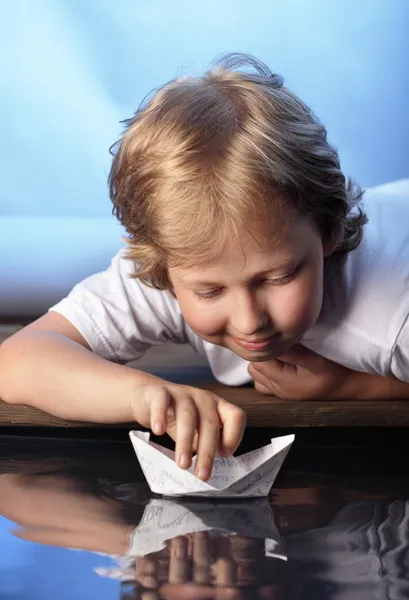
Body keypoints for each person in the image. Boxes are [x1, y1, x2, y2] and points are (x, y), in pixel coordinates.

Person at [1, 53, 408, 480]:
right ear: (163, 267)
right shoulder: (177, 258)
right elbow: (19, 359)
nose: (250, 321)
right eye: (210, 292)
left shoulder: (391, 321)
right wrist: (143, 396)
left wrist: (356, 386)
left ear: (328, 232)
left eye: (278, 277)